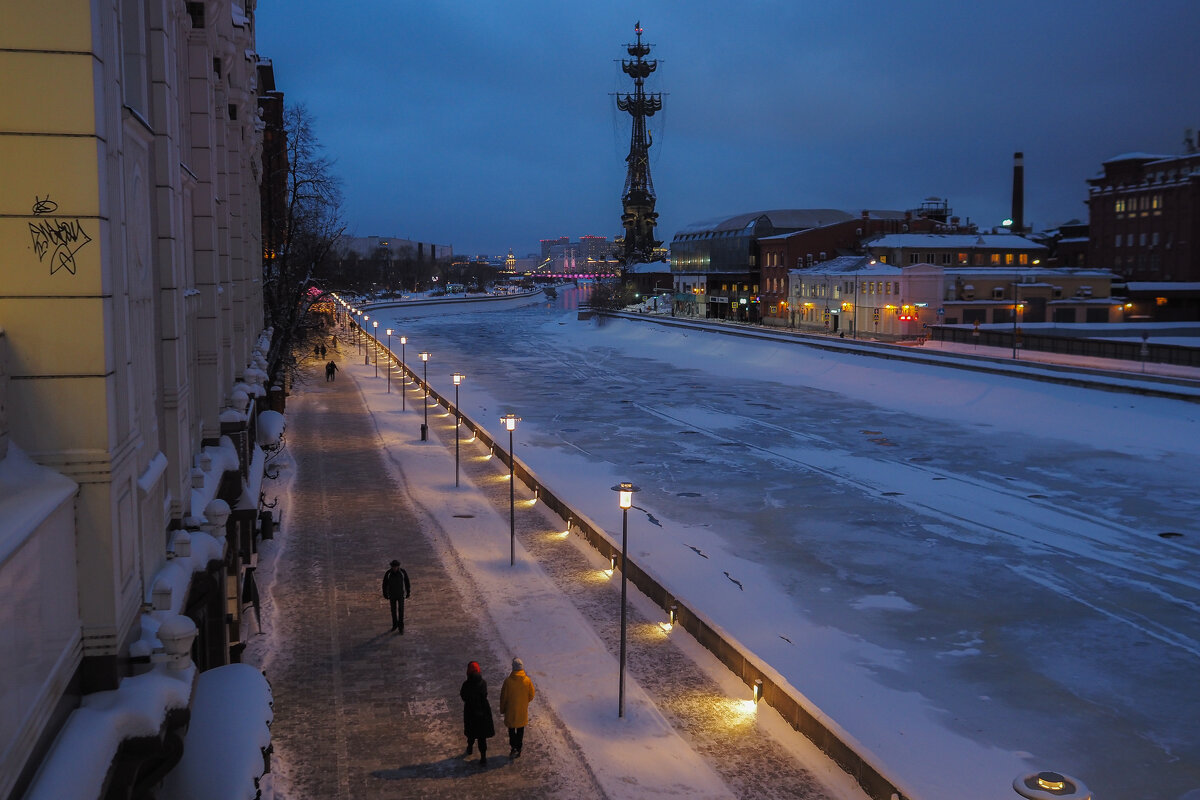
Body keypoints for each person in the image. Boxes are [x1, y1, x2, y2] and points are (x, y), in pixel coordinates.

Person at [460, 661, 495, 766]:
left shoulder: (466, 684)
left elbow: (463, 696)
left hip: (470, 712)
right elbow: (485, 694)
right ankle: (483, 757)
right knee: (481, 736)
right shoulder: (483, 682)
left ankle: (470, 748)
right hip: (482, 712)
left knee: (471, 732)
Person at [499, 657, 535, 759]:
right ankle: (519, 747)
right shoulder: (527, 681)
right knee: (520, 730)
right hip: (522, 711)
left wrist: (502, 709)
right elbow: (531, 694)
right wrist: (524, 701)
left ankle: (513, 746)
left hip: (510, 711)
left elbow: (503, 697)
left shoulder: (508, 682)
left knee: (511, 730)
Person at [381, 559, 410, 632]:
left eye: (396, 567)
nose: (394, 568)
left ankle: (401, 627)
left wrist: (408, 592)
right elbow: (384, 584)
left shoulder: (402, 572)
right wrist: (385, 593)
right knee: (393, 611)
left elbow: (407, 582)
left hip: (400, 595)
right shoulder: (388, 573)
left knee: (401, 611)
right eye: (393, 567)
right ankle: (395, 625)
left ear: (398, 566)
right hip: (392, 595)